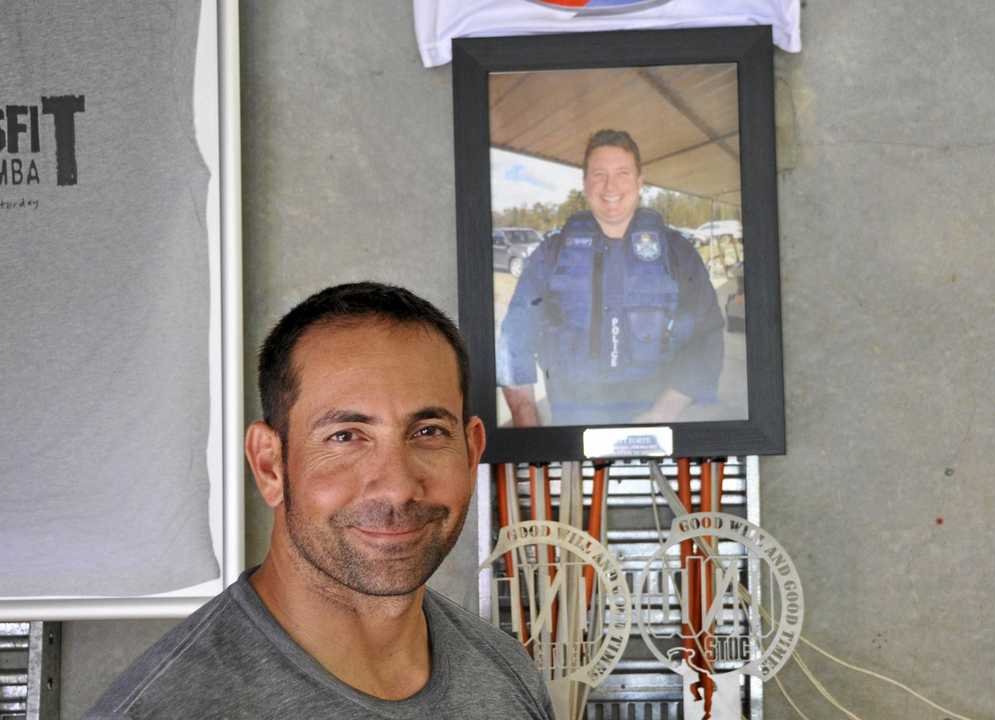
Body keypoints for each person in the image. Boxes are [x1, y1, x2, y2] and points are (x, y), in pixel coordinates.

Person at [86, 283, 554, 719]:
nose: (396, 486)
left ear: (472, 451)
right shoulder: (170, 706)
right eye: (346, 436)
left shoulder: (506, 675)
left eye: (428, 432)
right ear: (270, 465)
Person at [497, 129, 724, 427]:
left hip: (658, 419)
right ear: (585, 184)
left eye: (622, 173)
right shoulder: (549, 254)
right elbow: (515, 338)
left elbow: (707, 336)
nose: (610, 186)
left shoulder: (678, 253)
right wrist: (526, 418)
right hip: (572, 421)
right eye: (599, 174)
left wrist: (662, 413)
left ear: (640, 183)